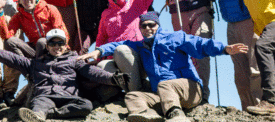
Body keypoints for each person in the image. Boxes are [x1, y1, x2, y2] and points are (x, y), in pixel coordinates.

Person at [79, 11, 248, 122]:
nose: (147, 28)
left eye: (151, 24)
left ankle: (176, 116)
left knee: (165, 84)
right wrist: (99, 51)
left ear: (158, 25)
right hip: (162, 94)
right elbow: (119, 44)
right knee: (133, 96)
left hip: (190, 90)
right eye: (143, 26)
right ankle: (149, 116)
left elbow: (200, 44)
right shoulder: (141, 45)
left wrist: (225, 49)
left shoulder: (175, 38)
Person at [0, 29, 130, 122]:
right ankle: (38, 116)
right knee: (39, 106)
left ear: (66, 45)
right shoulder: (35, 63)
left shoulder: (75, 60)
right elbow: (8, 57)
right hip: (45, 96)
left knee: (86, 105)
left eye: (60, 43)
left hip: (69, 97)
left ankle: (53, 114)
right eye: (53, 43)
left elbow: (92, 72)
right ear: (47, 46)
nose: (57, 46)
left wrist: (112, 78)